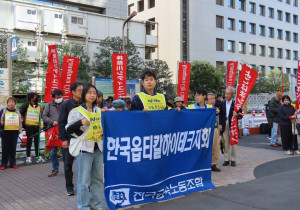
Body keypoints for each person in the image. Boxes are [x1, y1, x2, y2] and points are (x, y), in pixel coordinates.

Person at [66, 84, 107, 210]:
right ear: (84, 95)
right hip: (84, 150)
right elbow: (68, 128)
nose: (92, 95)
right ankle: (83, 206)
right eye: (89, 92)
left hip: (98, 149)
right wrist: (81, 123)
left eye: (94, 92)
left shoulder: (99, 111)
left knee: (98, 180)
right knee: (84, 181)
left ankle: (96, 204)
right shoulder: (77, 111)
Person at [58, 82, 83, 196]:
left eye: (83, 90)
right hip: (69, 139)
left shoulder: (85, 104)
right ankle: (69, 187)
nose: (82, 92)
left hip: (83, 139)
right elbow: (61, 123)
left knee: (83, 165)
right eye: (79, 90)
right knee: (68, 165)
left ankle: (83, 187)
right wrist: (63, 139)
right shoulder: (66, 104)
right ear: (73, 92)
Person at [219, 87, 243, 167]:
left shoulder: (236, 104)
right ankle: (226, 159)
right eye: (225, 93)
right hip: (224, 124)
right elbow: (221, 115)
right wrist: (220, 124)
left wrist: (237, 115)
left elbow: (241, 114)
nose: (226, 95)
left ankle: (233, 159)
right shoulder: (222, 103)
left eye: (228, 93)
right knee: (225, 142)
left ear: (232, 94)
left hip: (233, 125)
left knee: (233, 143)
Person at [19, 92, 45, 164]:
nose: (36, 98)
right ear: (31, 98)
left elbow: (41, 115)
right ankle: (28, 157)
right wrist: (23, 121)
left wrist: (41, 111)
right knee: (29, 142)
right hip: (29, 126)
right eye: (35, 97)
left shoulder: (38, 106)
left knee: (37, 142)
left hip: (37, 126)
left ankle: (38, 156)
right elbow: (20, 111)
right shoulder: (26, 105)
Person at [42, 89, 63, 177]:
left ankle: (68, 168)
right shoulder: (49, 105)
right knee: (53, 152)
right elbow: (44, 116)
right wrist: (52, 121)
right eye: (57, 97)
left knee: (65, 151)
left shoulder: (65, 104)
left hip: (63, 130)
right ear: (53, 97)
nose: (59, 98)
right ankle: (55, 169)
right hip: (53, 131)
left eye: (60, 97)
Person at [0, 97, 22, 170]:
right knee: (5, 148)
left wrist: (19, 130)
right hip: (5, 132)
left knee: (13, 148)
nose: (11, 103)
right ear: (7, 103)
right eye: (9, 102)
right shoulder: (3, 111)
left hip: (14, 132)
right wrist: (1, 130)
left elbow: (20, 121)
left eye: (13, 102)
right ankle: (4, 164)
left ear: (15, 103)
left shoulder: (17, 111)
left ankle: (13, 163)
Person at [207, 93, 221, 172]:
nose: (212, 101)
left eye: (213, 99)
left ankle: (214, 164)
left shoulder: (216, 108)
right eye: (210, 99)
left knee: (216, 147)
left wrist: (217, 114)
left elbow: (217, 120)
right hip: (207, 130)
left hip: (215, 129)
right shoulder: (205, 108)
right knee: (208, 148)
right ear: (207, 100)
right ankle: (206, 165)